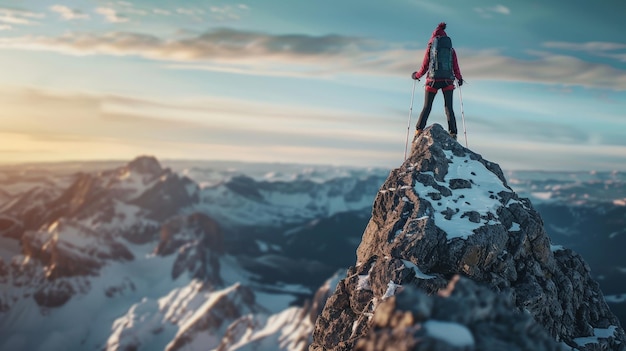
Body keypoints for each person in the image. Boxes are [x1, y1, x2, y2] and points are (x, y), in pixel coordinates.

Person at [411, 22, 463, 141]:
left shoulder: (431, 48)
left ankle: (419, 130)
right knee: (448, 107)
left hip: (432, 81)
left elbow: (424, 67)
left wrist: (416, 75)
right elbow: (455, 66)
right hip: (447, 81)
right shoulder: (450, 49)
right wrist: (459, 78)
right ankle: (453, 133)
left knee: (427, 106)